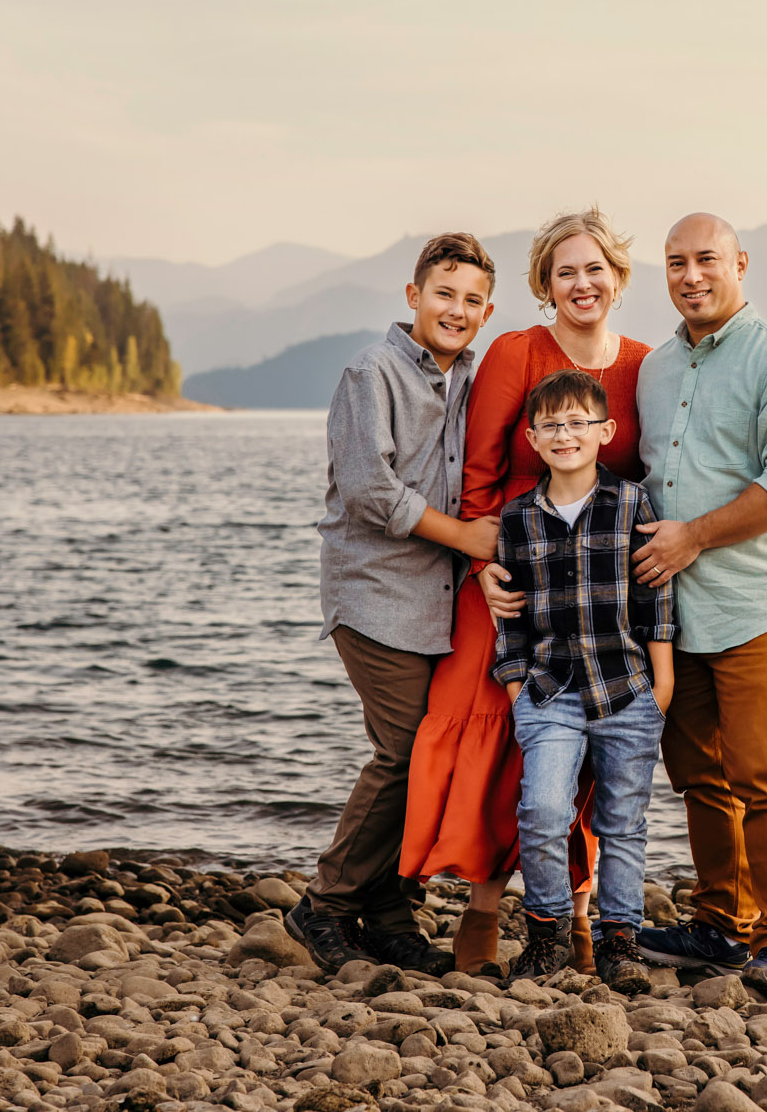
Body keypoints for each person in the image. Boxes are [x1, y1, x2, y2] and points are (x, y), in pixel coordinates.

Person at [400, 208, 652, 977]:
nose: (582, 283)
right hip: (509, 574)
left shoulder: (647, 363)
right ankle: (483, 909)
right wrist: (485, 572)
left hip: (601, 586)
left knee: (597, 743)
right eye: (564, 271)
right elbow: (476, 476)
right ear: (545, 285)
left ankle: (577, 914)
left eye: (595, 269)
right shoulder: (515, 351)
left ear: (618, 277)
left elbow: (647, 479)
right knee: (503, 740)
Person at [284, 232, 501, 975]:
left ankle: (385, 912)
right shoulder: (370, 371)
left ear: (487, 311)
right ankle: (325, 904)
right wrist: (471, 541)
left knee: (433, 754)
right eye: (444, 294)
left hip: (438, 603)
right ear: (413, 297)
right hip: (373, 593)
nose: (457, 309)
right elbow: (370, 491)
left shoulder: (473, 377)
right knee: (406, 753)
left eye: (473, 301)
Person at [630, 211, 767, 996]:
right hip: (672, 614)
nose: (690, 275)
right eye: (675, 263)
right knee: (698, 776)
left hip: (753, 606)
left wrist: (695, 538)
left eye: (706, 259)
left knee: (766, 775)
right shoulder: (653, 370)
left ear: (740, 263)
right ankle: (719, 925)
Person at [490, 368, 675, 992]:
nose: (565, 434)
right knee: (543, 810)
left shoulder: (631, 504)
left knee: (622, 822)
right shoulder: (517, 520)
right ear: (533, 440)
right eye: (551, 426)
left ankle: (621, 943)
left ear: (606, 431)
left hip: (627, 688)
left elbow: (657, 599)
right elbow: (509, 619)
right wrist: (517, 689)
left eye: (578, 423)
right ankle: (546, 937)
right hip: (548, 692)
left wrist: (662, 683)